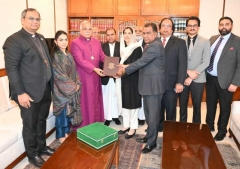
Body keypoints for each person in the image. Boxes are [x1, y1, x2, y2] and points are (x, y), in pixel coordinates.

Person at [3, 8, 54, 167]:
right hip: (28, 93)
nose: (35, 22)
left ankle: (42, 147)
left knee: (41, 121)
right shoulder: (14, 40)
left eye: (38, 19)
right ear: (22, 20)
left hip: (45, 89)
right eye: (31, 18)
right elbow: (12, 69)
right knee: (30, 125)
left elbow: (45, 62)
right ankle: (32, 155)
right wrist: (20, 93)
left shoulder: (40, 37)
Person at [117, 23, 166, 153]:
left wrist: (125, 69)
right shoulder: (149, 45)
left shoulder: (155, 46)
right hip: (148, 85)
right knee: (149, 115)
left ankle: (152, 143)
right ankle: (149, 136)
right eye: (144, 33)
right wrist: (126, 66)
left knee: (153, 116)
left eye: (148, 33)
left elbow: (141, 62)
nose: (145, 35)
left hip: (154, 86)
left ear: (156, 33)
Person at [206, 16, 240, 141]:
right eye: (221, 24)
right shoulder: (213, 39)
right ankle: (209, 126)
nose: (224, 27)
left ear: (231, 26)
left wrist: (235, 83)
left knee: (225, 107)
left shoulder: (237, 41)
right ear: (218, 26)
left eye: (227, 24)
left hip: (227, 81)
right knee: (210, 104)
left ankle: (221, 131)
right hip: (210, 78)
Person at [70, 21, 105, 128]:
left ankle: (95, 121)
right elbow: (80, 60)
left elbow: (102, 56)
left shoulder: (97, 42)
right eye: (85, 29)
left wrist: (113, 64)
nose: (87, 31)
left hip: (95, 76)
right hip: (83, 76)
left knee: (95, 98)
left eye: (89, 29)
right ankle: (84, 124)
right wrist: (94, 68)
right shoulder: (75, 43)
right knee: (85, 99)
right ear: (80, 30)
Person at [50, 30, 82, 143]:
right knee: (62, 113)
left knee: (69, 111)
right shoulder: (55, 56)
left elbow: (75, 71)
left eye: (65, 39)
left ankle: (67, 132)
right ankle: (60, 134)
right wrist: (73, 86)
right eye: (61, 40)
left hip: (71, 87)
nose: (64, 42)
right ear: (55, 42)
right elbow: (58, 74)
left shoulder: (68, 54)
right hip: (60, 90)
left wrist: (77, 83)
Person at [179, 16, 211, 123]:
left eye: (194, 25)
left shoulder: (205, 41)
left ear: (198, 27)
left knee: (197, 107)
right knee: (182, 106)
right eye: (190, 25)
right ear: (186, 27)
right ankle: (182, 128)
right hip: (183, 78)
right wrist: (188, 72)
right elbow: (179, 61)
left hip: (198, 79)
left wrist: (192, 76)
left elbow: (206, 61)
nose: (192, 27)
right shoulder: (181, 42)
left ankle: (195, 130)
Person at [158, 18, 188, 132]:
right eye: (163, 25)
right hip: (156, 82)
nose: (165, 28)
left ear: (172, 29)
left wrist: (180, 82)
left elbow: (183, 64)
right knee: (158, 108)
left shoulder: (179, 42)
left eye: (168, 26)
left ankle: (170, 131)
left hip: (171, 82)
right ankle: (159, 127)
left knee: (170, 109)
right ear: (160, 28)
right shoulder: (154, 42)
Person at [116, 27, 142, 139]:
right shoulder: (122, 48)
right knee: (125, 102)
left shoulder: (137, 48)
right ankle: (126, 125)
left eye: (129, 33)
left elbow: (136, 65)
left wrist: (123, 69)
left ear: (133, 35)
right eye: (124, 33)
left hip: (133, 79)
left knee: (133, 104)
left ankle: (133, 127)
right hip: (123, 79)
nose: (127, 35)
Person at [101, 28, 121, 126]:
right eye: (108, 35)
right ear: (106, 36)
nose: (110, 36)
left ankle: (116, 116)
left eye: (112, 34)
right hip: (106, 77)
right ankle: (108, 117)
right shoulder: (102, 46)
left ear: (115, 35)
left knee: (116, 97)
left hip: (117, 77)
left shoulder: (121, 45)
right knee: (107, 98)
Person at [135, 25, 146, 126]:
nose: (138, 33)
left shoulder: (147, 42)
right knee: (136, 95)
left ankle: (142, 117)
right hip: (134, 73)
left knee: (143, 95)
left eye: (140, 31)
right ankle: (136, 116)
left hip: (144, 73)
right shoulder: (132, 43)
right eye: (136, 31)